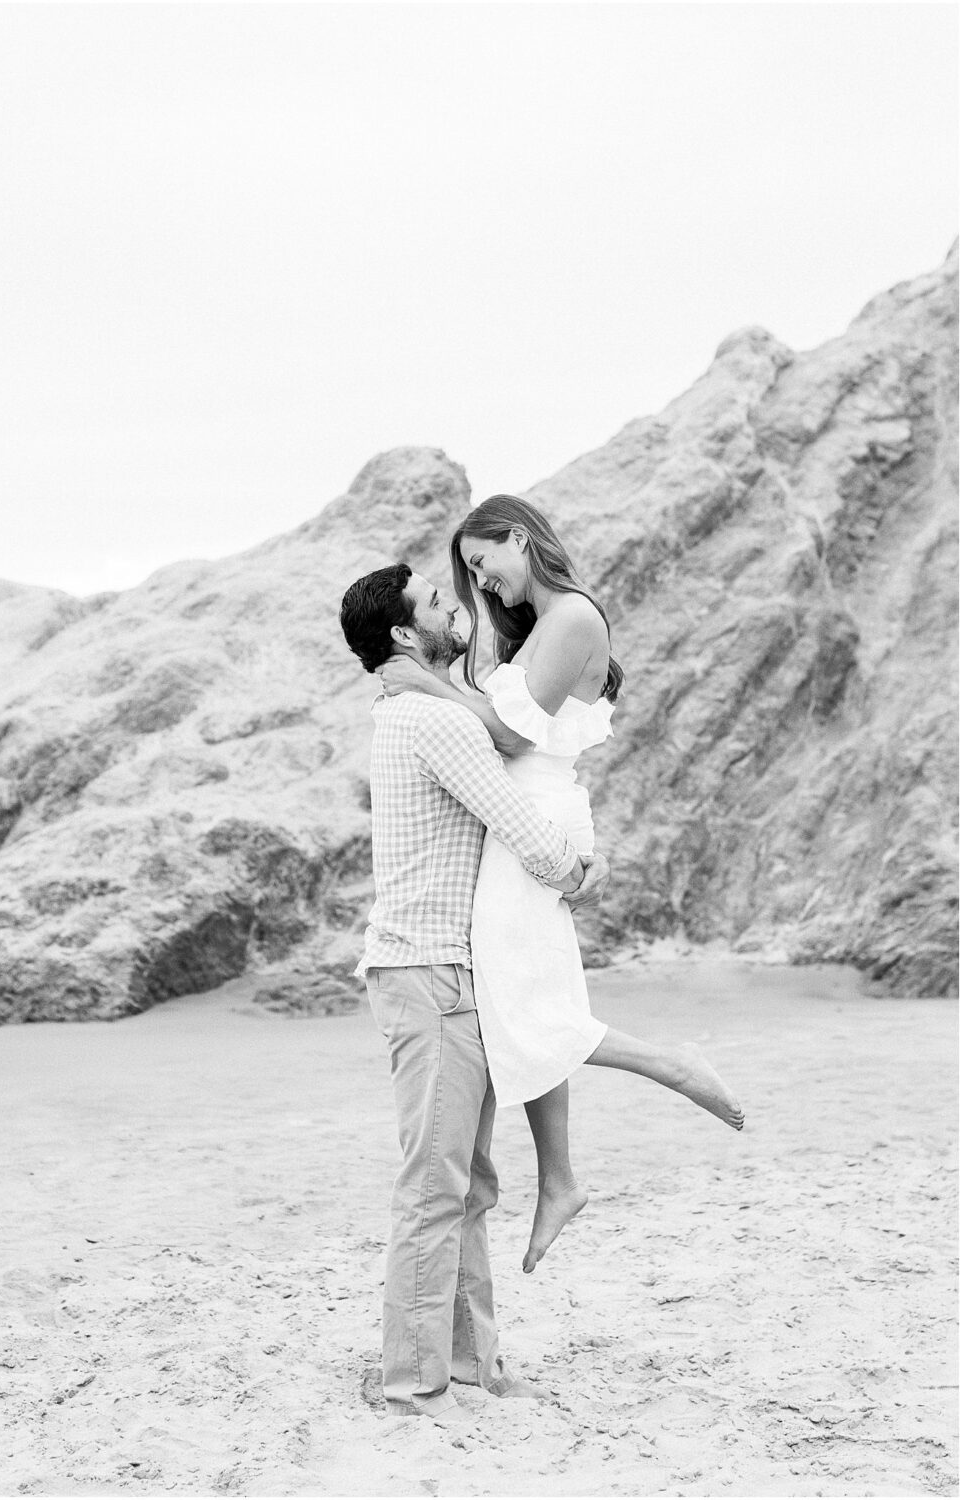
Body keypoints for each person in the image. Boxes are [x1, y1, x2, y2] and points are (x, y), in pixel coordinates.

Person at [377, 496, 744, 1276]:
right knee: (528, 1002)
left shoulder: (573, 614)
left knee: (525, 1004)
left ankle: (674, 1069)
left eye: (485, 562)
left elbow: (511, 735)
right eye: (469, 574)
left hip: (535, 817)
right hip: (535, 816)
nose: (482, 581)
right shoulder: (539, 626)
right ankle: (560, 1181)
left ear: (519, 537)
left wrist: (419, 681)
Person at [339, 561, 610, 1425]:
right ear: (401, 637)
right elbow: (520, 821)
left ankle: (467, 1366)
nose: (457, 607)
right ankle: (415, 1385)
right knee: (435, 1185)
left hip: (443, 973)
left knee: (467, 1183)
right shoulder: (430, 719)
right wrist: (577, 868)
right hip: (430, 973)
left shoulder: (407, 713)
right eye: (435, 604)